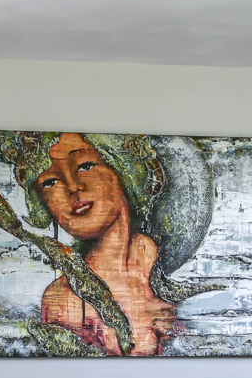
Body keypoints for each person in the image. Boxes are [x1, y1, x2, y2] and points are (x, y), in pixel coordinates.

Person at [29, 133, 178, 356]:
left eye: (85, 166)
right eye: (50, 182)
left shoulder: (165, 260)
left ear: (121, 169)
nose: (72, 187)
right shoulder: (65, 300)